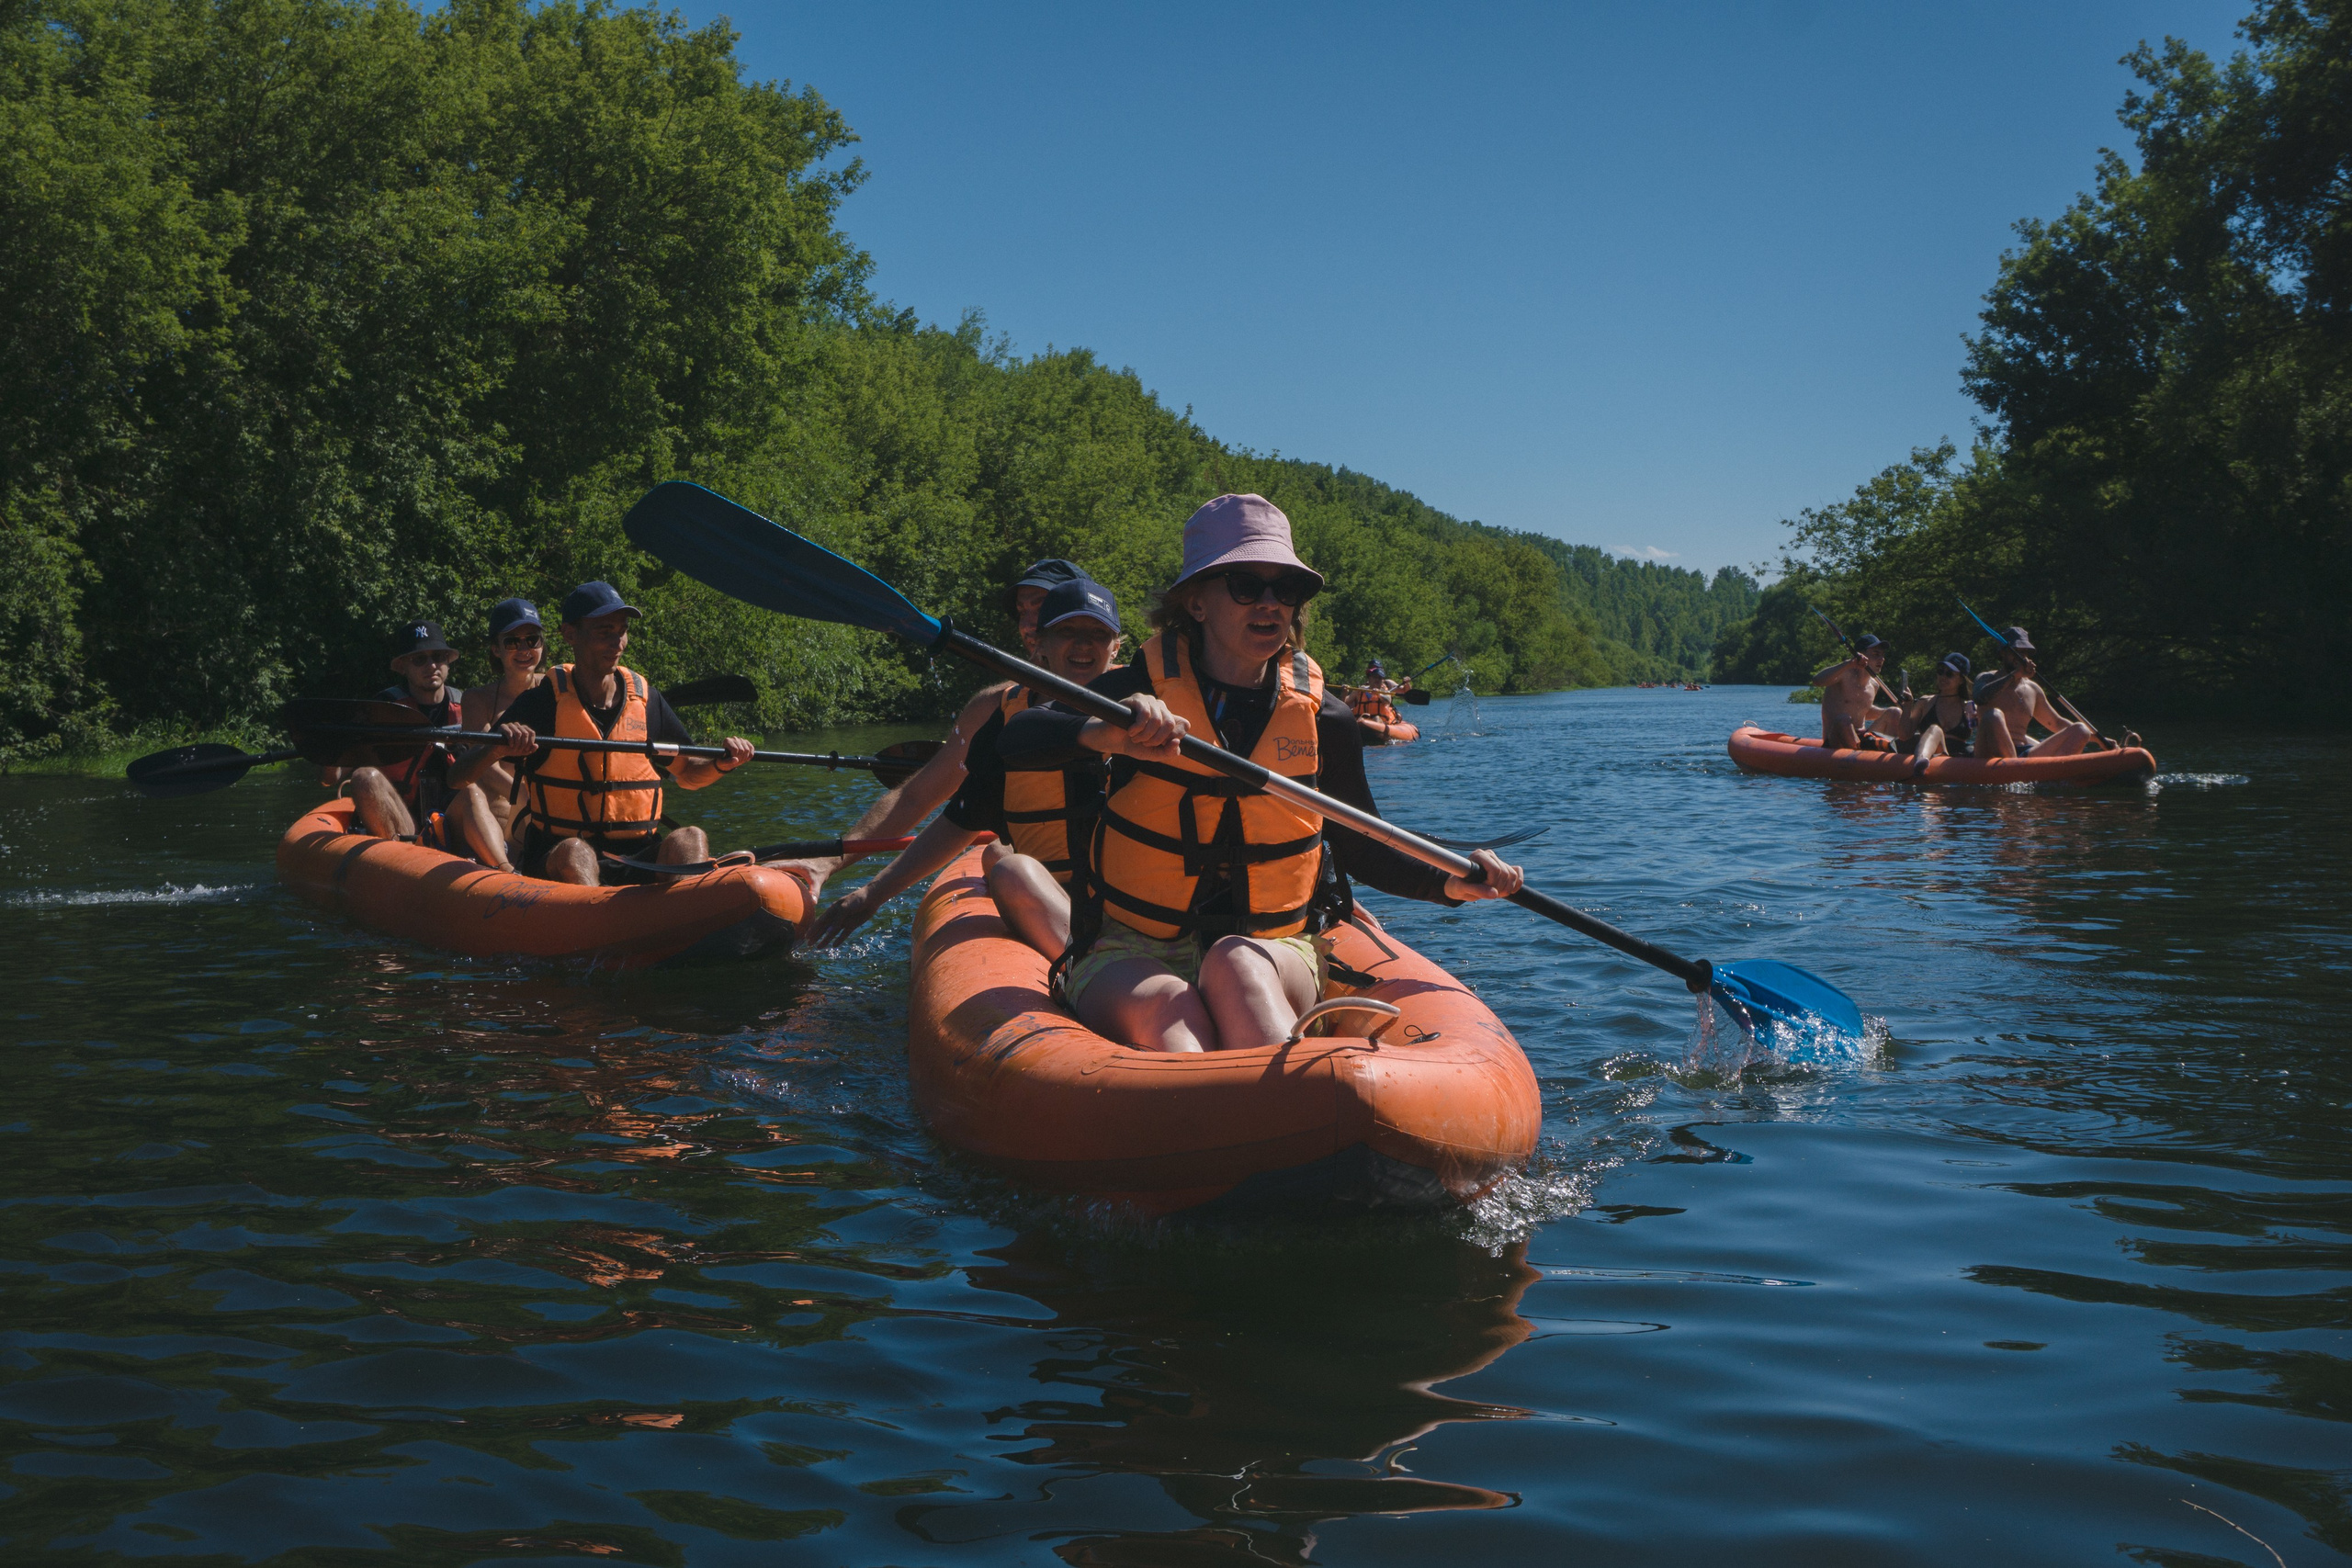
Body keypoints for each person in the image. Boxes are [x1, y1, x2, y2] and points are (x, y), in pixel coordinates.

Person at [1000, 493, 1525, 1055]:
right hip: (1135, 946)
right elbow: (1019, 740)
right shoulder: (1136, 694)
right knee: (1171, 1017)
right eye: (1247, 585)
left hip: (1274, 949)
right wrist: (1100, 734)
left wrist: (1450, 882)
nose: (1271, 603)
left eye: (1286, 589)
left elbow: (1360, 843)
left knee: (1236, 963)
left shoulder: (1327, 717)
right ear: (1196, 603)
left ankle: (1292, 1112)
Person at [810, 575, 1125, 956]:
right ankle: (1089, 966)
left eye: (1098, 632)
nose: (1083, 644)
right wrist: (870, 894)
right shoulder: (1006, 720)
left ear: (1116, 647)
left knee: (1000, 857)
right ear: (1039, 644)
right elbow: (961, 818)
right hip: (1056, 897)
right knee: (1005, 864)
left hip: (1131, 905)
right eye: (1067, 630)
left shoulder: (1147, 712)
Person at [490, 582, 755, 886]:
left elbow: (689, 776)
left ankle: (683, 920)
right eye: (605, 631)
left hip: (634, 855)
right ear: (570, 634)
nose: (618, 642)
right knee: (577, 852)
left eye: (622, 630)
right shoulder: (542, 701)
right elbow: (459, 776)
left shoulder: (648, 701)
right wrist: (497, 747)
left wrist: (723, 764)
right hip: (558, 854)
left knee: (690, 838)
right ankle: (595, 922)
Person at [330, 621, 524, 871]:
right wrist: (330, 744)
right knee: (364, 777)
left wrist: (526, 798)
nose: (431, 666)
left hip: (450, 822)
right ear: (403, 667)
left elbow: (487, 763)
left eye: (438, 657)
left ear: (448, 662)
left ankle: (504, 870)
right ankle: (399, 867)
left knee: (472, 791)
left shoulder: (466, 707)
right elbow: (332, 776)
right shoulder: (384, 710)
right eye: (419, 660)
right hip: (403, 824)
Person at [458, 598, 548, 841]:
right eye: (511, 642)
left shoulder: (558, 687)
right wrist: (527, 795)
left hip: (547, 817)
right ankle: (506, 869)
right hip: (495, 818)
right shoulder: (478, 699)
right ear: (496, 649)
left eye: (532, 640)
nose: (524, 650)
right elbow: (483, 767)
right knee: (470, 790)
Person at [1973, 626, 2096, 761]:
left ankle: (2056, 775)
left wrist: (2097, 739)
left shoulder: (2033, 689)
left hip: (2023, 752)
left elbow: (2056, 723)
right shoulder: (1986, 678)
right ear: (2003, 652)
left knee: (2080, 729)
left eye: (2025, 652)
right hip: (1989, 751)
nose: (2021, 657)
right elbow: (1979, 698)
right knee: (1993, 715)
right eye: (2016, 651)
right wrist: (2014, 675)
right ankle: (2015, 770)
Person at [1813, 634, 1902, 750]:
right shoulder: (1843, 675)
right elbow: (1817, 680)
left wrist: (1887, 713)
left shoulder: (1874, 685)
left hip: (1862, 737)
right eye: (1876, 654)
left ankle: (1892, 756)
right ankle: (1862, 755)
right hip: (1834, 739)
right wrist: (1849, 663)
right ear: (1861, 655)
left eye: (1882, 655)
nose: (1881, 659)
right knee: (1844, 720)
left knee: (1894, 712)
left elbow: (1862, 710)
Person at [1902, 653, 1976, 763]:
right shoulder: (1925, 702)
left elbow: (1980, 737)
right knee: (1934, 729)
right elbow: (1904, 735)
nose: (1943, 677)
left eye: (1949, 674)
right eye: (1941, 672)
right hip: (1929, 755)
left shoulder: (1969, 707)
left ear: (1961, 680)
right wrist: (1907, 707)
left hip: (1956, 760)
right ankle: (1920, 762)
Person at [1347, 660, 1411, 728]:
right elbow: (1347, 702)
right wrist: (1345, 692)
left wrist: (1407, 683)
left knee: (1377, 718)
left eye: (1377, 668)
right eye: (1372, 668)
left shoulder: (1388, 684)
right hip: (1363, 717)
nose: (1377, 679)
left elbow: (1406, 692)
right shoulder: (1361, 688)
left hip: (1382, 717)